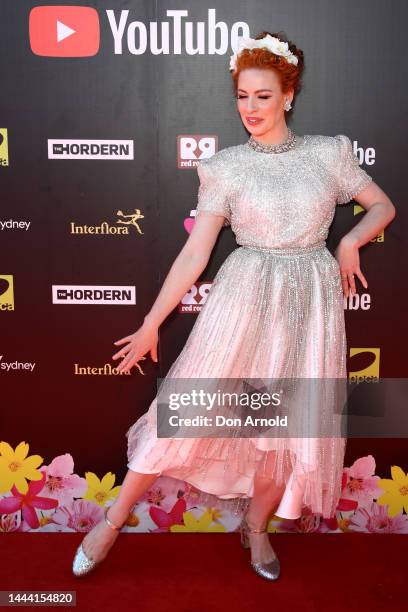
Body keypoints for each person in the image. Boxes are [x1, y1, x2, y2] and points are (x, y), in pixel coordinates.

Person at [72, 31, 396, 580]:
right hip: (244, 299)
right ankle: (113, 518)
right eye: (242, 96)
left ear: (288, 95)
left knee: (283, 430)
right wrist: (153, 321)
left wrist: (348, 242)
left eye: (263, 96)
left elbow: (382, 205)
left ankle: (256, 529)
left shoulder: (328, 154)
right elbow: (196, 252)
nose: (250, 108)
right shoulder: (223, 167)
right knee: (186, 412)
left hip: (310, 303)